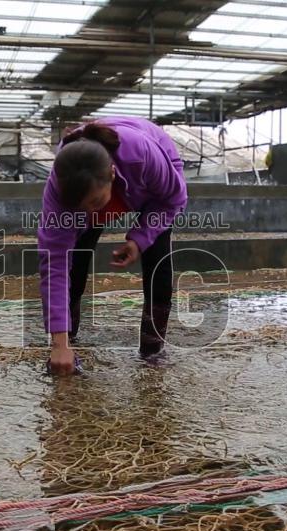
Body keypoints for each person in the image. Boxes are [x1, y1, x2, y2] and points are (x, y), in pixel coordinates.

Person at [38, 116, 187, 375]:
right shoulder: (61, 189)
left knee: (157, 259)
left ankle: (152, 350)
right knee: (76, 259)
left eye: (95, 204)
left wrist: (140, 239)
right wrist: (58, 343)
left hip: (152, 185)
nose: (89, 213)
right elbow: (55, 262)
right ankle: (68, 341)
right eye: (80, 209)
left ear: (113, 174)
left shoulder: (142, 155)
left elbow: (173, 200)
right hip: (89, 189)